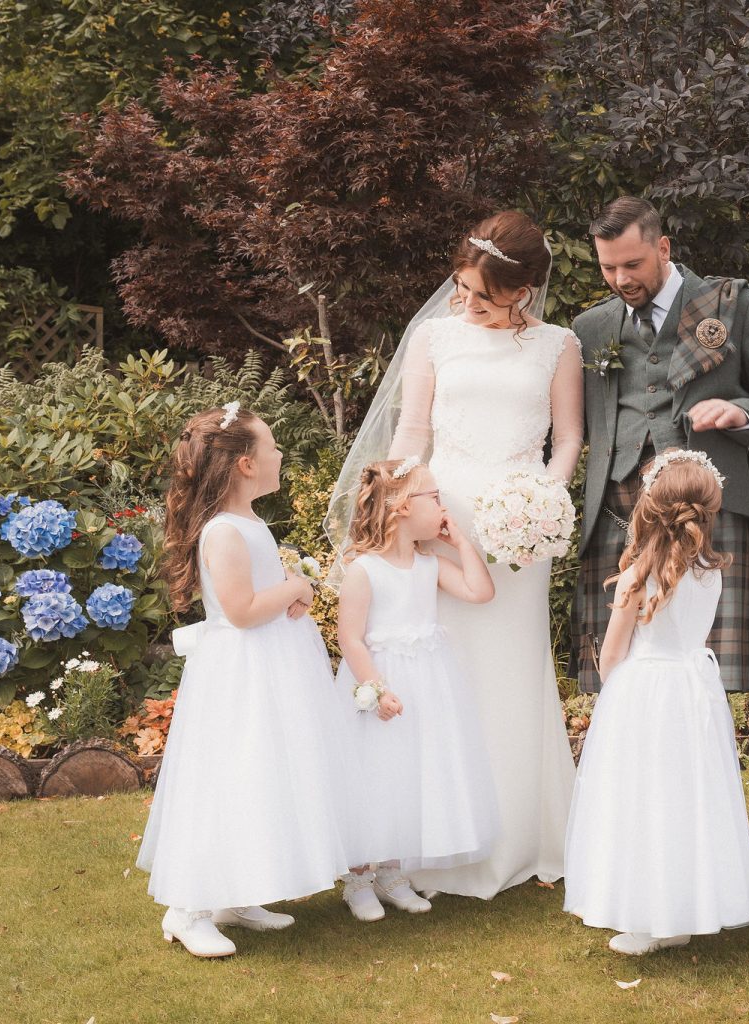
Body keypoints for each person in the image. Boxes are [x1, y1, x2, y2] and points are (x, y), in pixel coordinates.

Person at [327, 211, 580, 898]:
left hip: (519, 531)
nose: (465, 301)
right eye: (461, 286)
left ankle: (522, 834)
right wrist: (398, 511)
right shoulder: (435, 337)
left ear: (522, 290)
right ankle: (430, 840)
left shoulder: (559, 344)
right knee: (440, 670)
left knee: (512, 669)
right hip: (439, 515)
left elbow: (567, 440)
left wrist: (541, 504)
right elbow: (411, 429)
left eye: (482, 294)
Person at [573, 196, 749, 697]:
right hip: (618, 509)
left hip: (709, 505)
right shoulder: (590, 328)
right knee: (615, 659)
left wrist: (740, 413)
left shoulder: (731, 304)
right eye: (608, 267)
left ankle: (706, 757)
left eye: (633, 264)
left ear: (663, 247)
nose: (621, 279)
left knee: (711, 661)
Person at [139, 403, 350, 958]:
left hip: (270, 667)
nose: (281, 453)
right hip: (242, 674)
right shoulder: (224, 532)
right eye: (273, 445)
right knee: (229, 775)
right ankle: (186, 908)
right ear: (245, 465)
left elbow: (261, 595)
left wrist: (287, 594)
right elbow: (239, 609)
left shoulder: (252, 523)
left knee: (263, 773)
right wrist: (296, 588)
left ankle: (236, 893)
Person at [563, 449, 749, 955]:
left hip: (645, 693)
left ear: (648, 508)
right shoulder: (710, 571)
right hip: (693, 691)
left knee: (642, 799)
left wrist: (616, 692)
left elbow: (610, 660)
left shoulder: (636, 577)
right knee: (687, 798)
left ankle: (650, 915)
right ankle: (682, 907)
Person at [332, 456, 500, 920]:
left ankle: (392, 871)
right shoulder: (364, 570)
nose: (443, 506)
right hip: (382, 683)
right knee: (374, 778)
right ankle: (359, 877)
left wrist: (462, 542)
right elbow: (350, 638)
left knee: (408, 776)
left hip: (428, 683)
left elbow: (480, 591)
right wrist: (376, 688)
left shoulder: (430, 564)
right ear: (402, 507)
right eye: (435, 497)